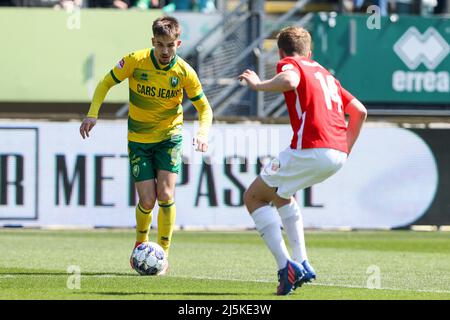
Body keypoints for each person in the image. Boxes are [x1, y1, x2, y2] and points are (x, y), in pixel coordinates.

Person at [80, 16, 213, 275]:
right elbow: (105, 83)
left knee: (165, 195)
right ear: (153, 41)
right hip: (139, 140)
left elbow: (204, 108)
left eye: (171, 46)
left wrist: (203, 133)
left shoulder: (184, 72)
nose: (165, 51)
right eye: (161, 45)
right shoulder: (134, 60)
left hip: (169, 137)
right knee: (147, 200)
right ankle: (140, 244)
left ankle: (163, 252)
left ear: (178, 43)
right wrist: (92, 113)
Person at [239, 26, 367, 295]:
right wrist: (345, 148)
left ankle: (286, 267)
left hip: (311, 147)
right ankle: (303, 262)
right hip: (336, 152)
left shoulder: (290, 63)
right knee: (283, 195)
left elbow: (289, 81)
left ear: (281, 52)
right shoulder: (326, 75)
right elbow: (359, 111)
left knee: (254, 197)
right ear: (311, 51)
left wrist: (258, 84)